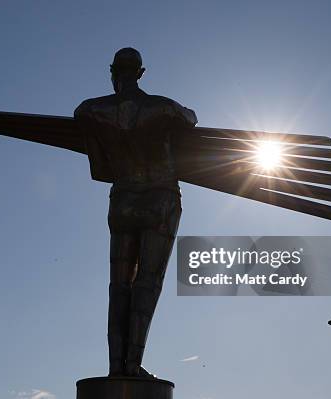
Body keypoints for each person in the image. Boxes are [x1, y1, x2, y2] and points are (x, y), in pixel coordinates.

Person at [74, 48, 197, 378]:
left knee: (118, 286)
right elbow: (191, 118)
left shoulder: (90, 110)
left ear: (112, 72)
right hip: (161, 198)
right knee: (147, 284)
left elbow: (100, 170)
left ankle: (116, 368)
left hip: (123, 199)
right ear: (141, 73)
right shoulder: (163, 108)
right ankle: (132, 364)